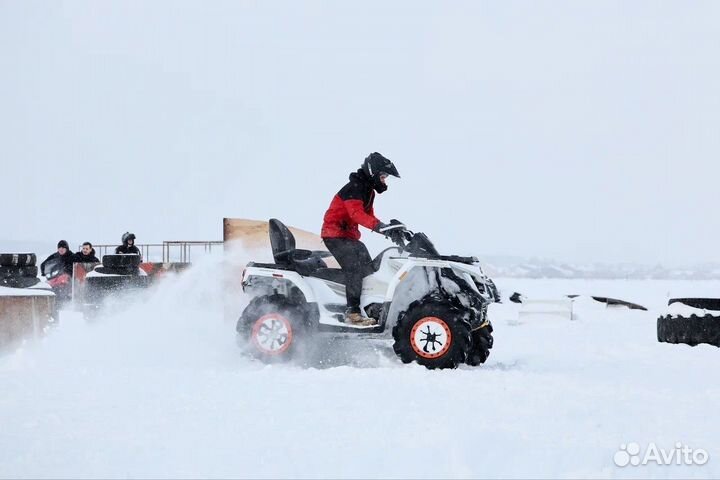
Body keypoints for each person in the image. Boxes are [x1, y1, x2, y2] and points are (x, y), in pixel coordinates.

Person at [321, 152, 405, 326]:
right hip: (334, 235)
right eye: (383, 176)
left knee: (367, 266)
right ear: (373, 173)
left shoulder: (368, 191)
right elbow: (356, 214)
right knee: (354, 268)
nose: (384, 180)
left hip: (348, 236)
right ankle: (352, 312)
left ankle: (369, 307)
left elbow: (369, 215)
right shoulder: (355, 187)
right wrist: (380, 227)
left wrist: (389, 230)